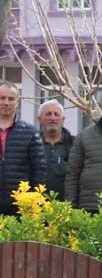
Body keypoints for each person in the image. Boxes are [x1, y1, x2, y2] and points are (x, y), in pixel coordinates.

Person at [0, 81, 45, 215]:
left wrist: (33, 200)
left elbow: (40, 169)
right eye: (2, 98)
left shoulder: (30, 132)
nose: (6, 102)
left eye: (11, 99)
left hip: (20, 205)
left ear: (17, 102)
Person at [37, 100, 74, 200]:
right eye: (48, 114)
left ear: (63, 119)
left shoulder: (75, 145)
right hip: (36, 206)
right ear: (39, 119)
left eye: (56, 114)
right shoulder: (31, 144)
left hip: (67, 206)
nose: (53, 118)